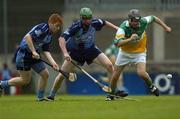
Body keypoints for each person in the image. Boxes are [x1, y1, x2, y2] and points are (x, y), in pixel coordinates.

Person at [47, 7, 119, 100]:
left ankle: (112, 93)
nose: (88, 20)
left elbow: (104, 22)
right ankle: (51, 95)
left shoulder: (94, 23)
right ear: (81, 18)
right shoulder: (75, 26)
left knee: (109, 65)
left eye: (89, 18)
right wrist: (65, 53)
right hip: (76, 53)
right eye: (85, 18)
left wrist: (116, 28)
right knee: (62, 75)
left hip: (91, 50)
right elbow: (61, 39)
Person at [106, 9, 172, 100]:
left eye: (138, 21)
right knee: (115, 76)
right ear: (129, 20)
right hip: (125, 52)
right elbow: (117, 43)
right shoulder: (123, 28)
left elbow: (153, 18)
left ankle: (152, 86)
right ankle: (112, 94)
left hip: (139, 52)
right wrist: (130, 39)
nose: (137, 23)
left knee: (141, 73)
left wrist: (165, 27)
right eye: (134, 21)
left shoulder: (143, 21)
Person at [0, 13, 63, 101]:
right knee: (25, 80)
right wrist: (33, 51)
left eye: (59, 26)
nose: (58, 28)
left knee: (45, 74)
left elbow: (46, 50)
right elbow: (28, 37)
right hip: (24, 55)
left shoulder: (49, 35)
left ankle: (40, 98)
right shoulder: (43, 28)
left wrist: (53, 63)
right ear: (51, 23)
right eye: (57, 26)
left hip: (34, 56)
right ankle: (2, 84)